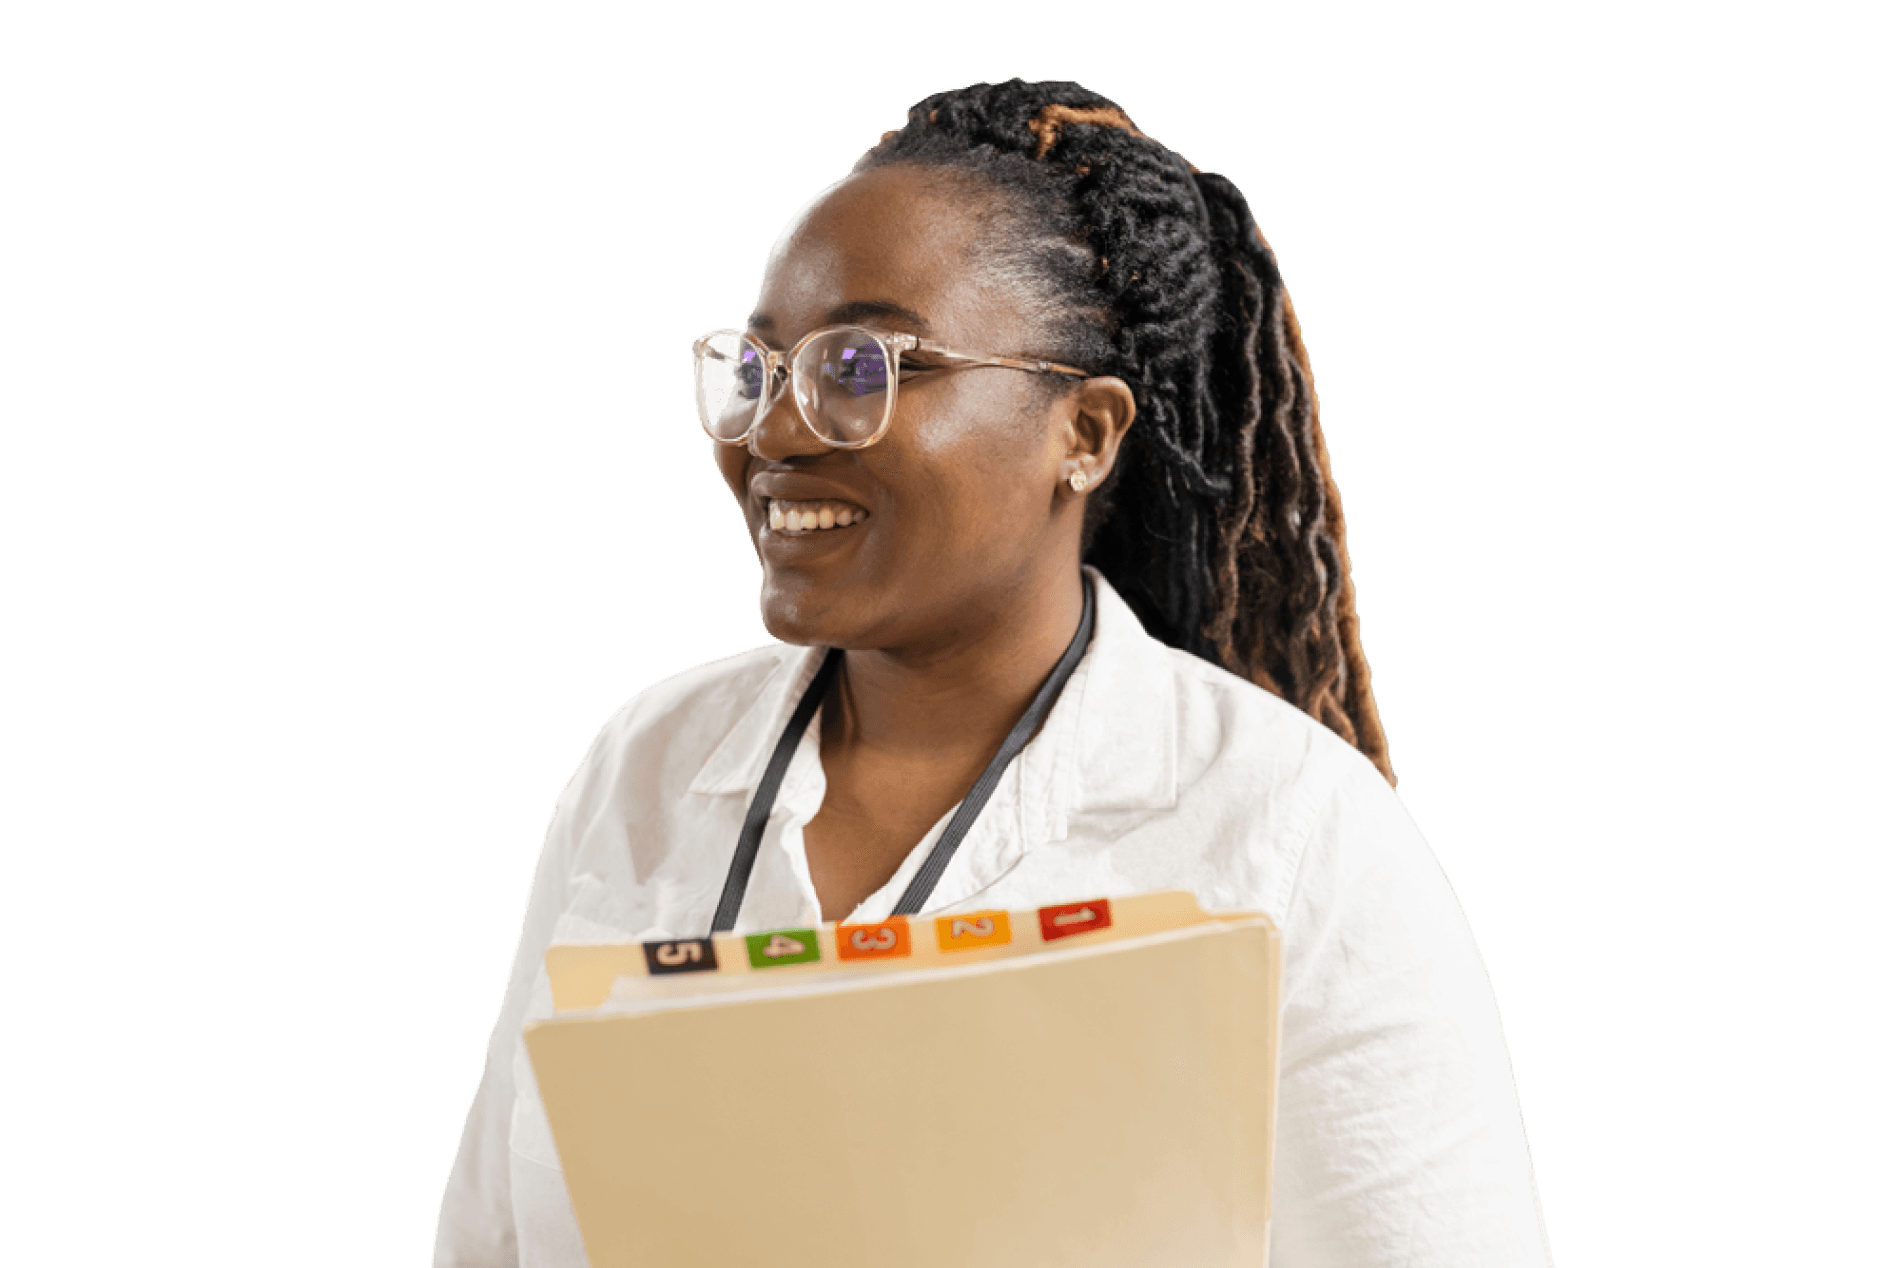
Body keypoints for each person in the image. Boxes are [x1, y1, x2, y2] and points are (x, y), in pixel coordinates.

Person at [433, 78, 1553, 1267]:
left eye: (861, 366)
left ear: (1087, 433)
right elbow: (488, 1245)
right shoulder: (644, 766)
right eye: (756, 369)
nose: (771, 433)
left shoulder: (1297, 838)